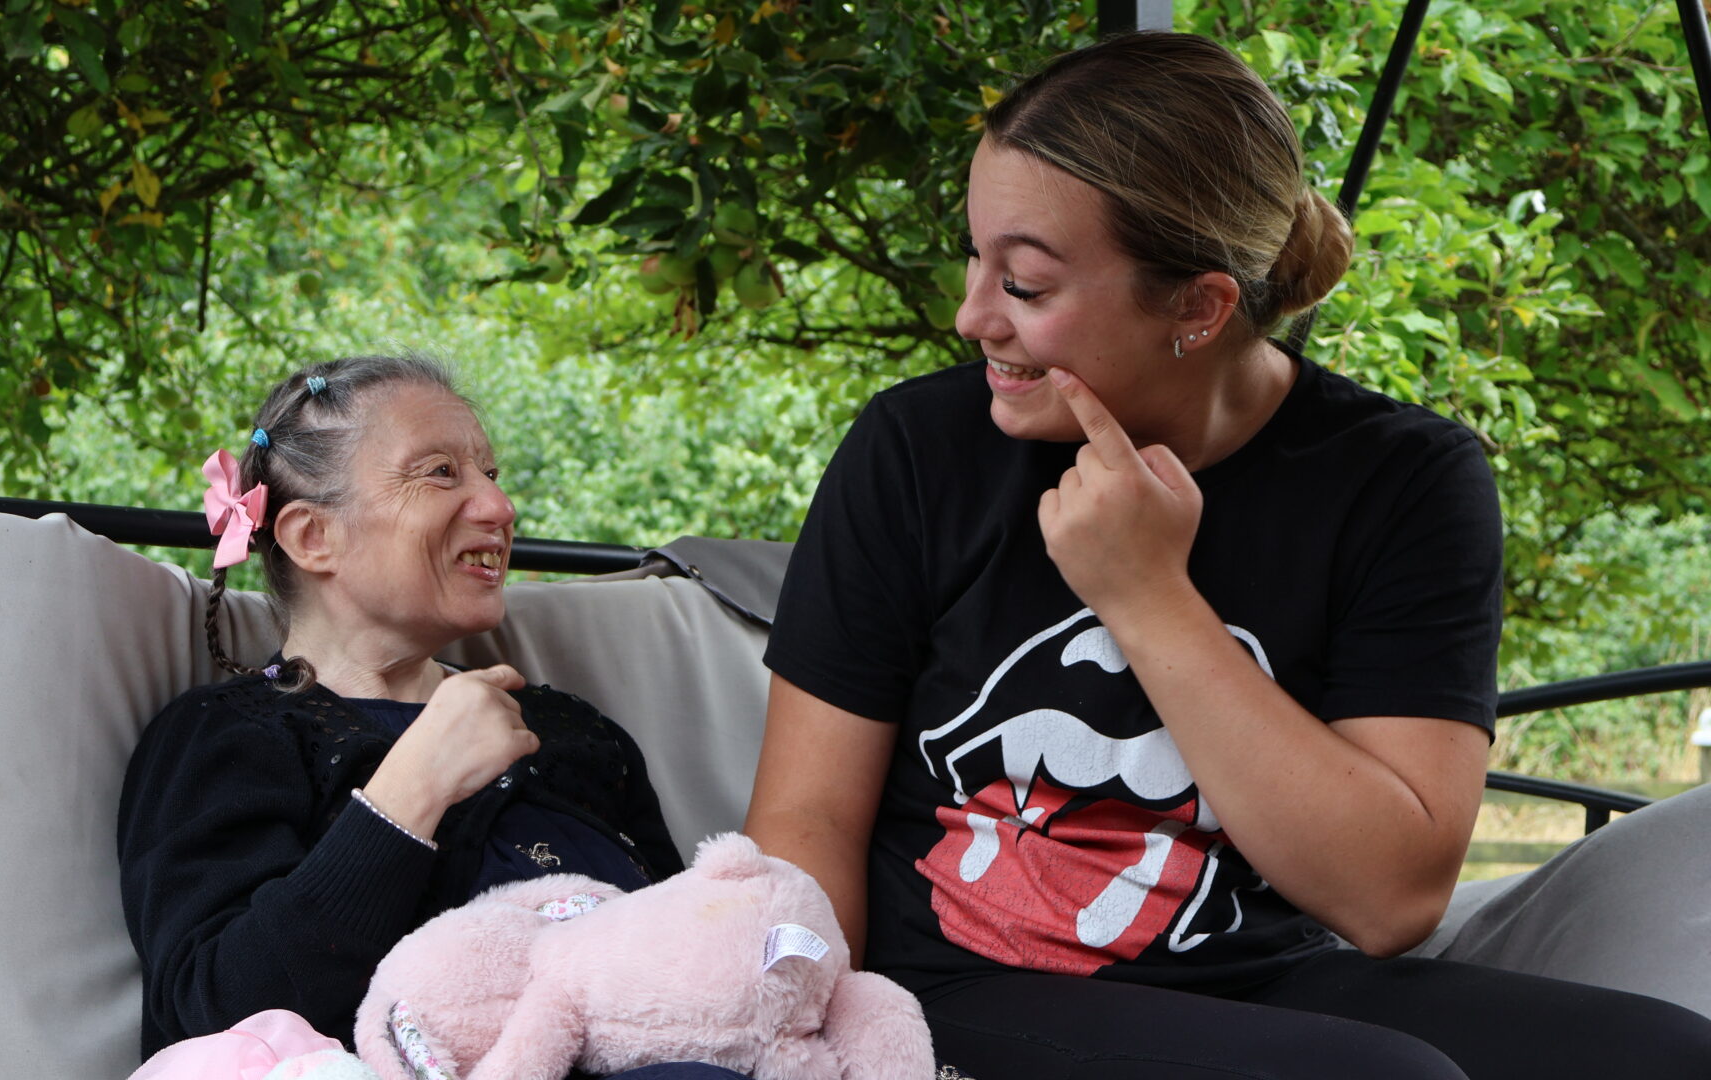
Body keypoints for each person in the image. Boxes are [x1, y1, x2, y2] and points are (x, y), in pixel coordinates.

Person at [745, 31, 1711, 1079]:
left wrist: (1149, 596)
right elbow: (805, 817)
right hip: (956, 985)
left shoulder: (1404, 480)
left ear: (1199, 307)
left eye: (1024, 285)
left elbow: (1389, 900)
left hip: (1263, 972)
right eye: (977, 259)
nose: (973, 314)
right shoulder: (919, 452)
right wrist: (807, 1041)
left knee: (1666, 1054)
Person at [118, 354, 747, 1080]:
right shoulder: (229, 736)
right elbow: (222, 1017)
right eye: (441, 473)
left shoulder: (573, 730)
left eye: (492, 475)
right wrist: (408, 794)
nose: (499, 508)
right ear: (311, 535)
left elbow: (698, 968)